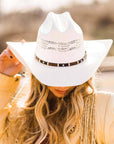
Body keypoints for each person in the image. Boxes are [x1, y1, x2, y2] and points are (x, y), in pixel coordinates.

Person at [0, 11, 113, 144]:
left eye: (71, 75)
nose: (62, 85)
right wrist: (4, 78)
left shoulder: (105, 108)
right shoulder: (20, 114)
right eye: (53, 76)